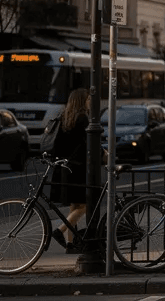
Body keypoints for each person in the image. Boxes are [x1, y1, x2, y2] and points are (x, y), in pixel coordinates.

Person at [47, 88, 90, 250]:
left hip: (65, 168)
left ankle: (71, 243)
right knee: (85, 207)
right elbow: (87, 144)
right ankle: (60, 230)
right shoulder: (83, 119)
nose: (90, 102)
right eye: (87, 100)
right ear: (81, 101)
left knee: (75, 206)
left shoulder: (65, 117)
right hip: (78, 169)